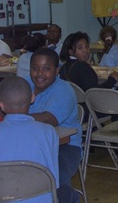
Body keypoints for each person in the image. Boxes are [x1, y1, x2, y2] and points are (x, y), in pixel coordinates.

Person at [0, 76, 79, 203]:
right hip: (43, 199)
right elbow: (53, 178)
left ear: (1, 105)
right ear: (32, 98)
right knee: (70, 194)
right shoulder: (49, 132)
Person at [28, 48, 82, 188]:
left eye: (46, 68)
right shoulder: (26, 85)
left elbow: (49, 119)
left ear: (57, 70)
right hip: (32, 142)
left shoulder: (63, 90)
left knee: (54, 176)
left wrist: (15, 116)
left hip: (64, 146)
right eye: (35, 68)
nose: (39, 73)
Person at [59, 32, 118, 121]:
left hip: (70, 110)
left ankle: (94, 129)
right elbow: (95, 93)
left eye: (87, 46)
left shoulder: (63, 68)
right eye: (80, 48)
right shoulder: (83, 67)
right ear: (70, 51)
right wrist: (112, 80)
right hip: (87, 110)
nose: (85, 50)